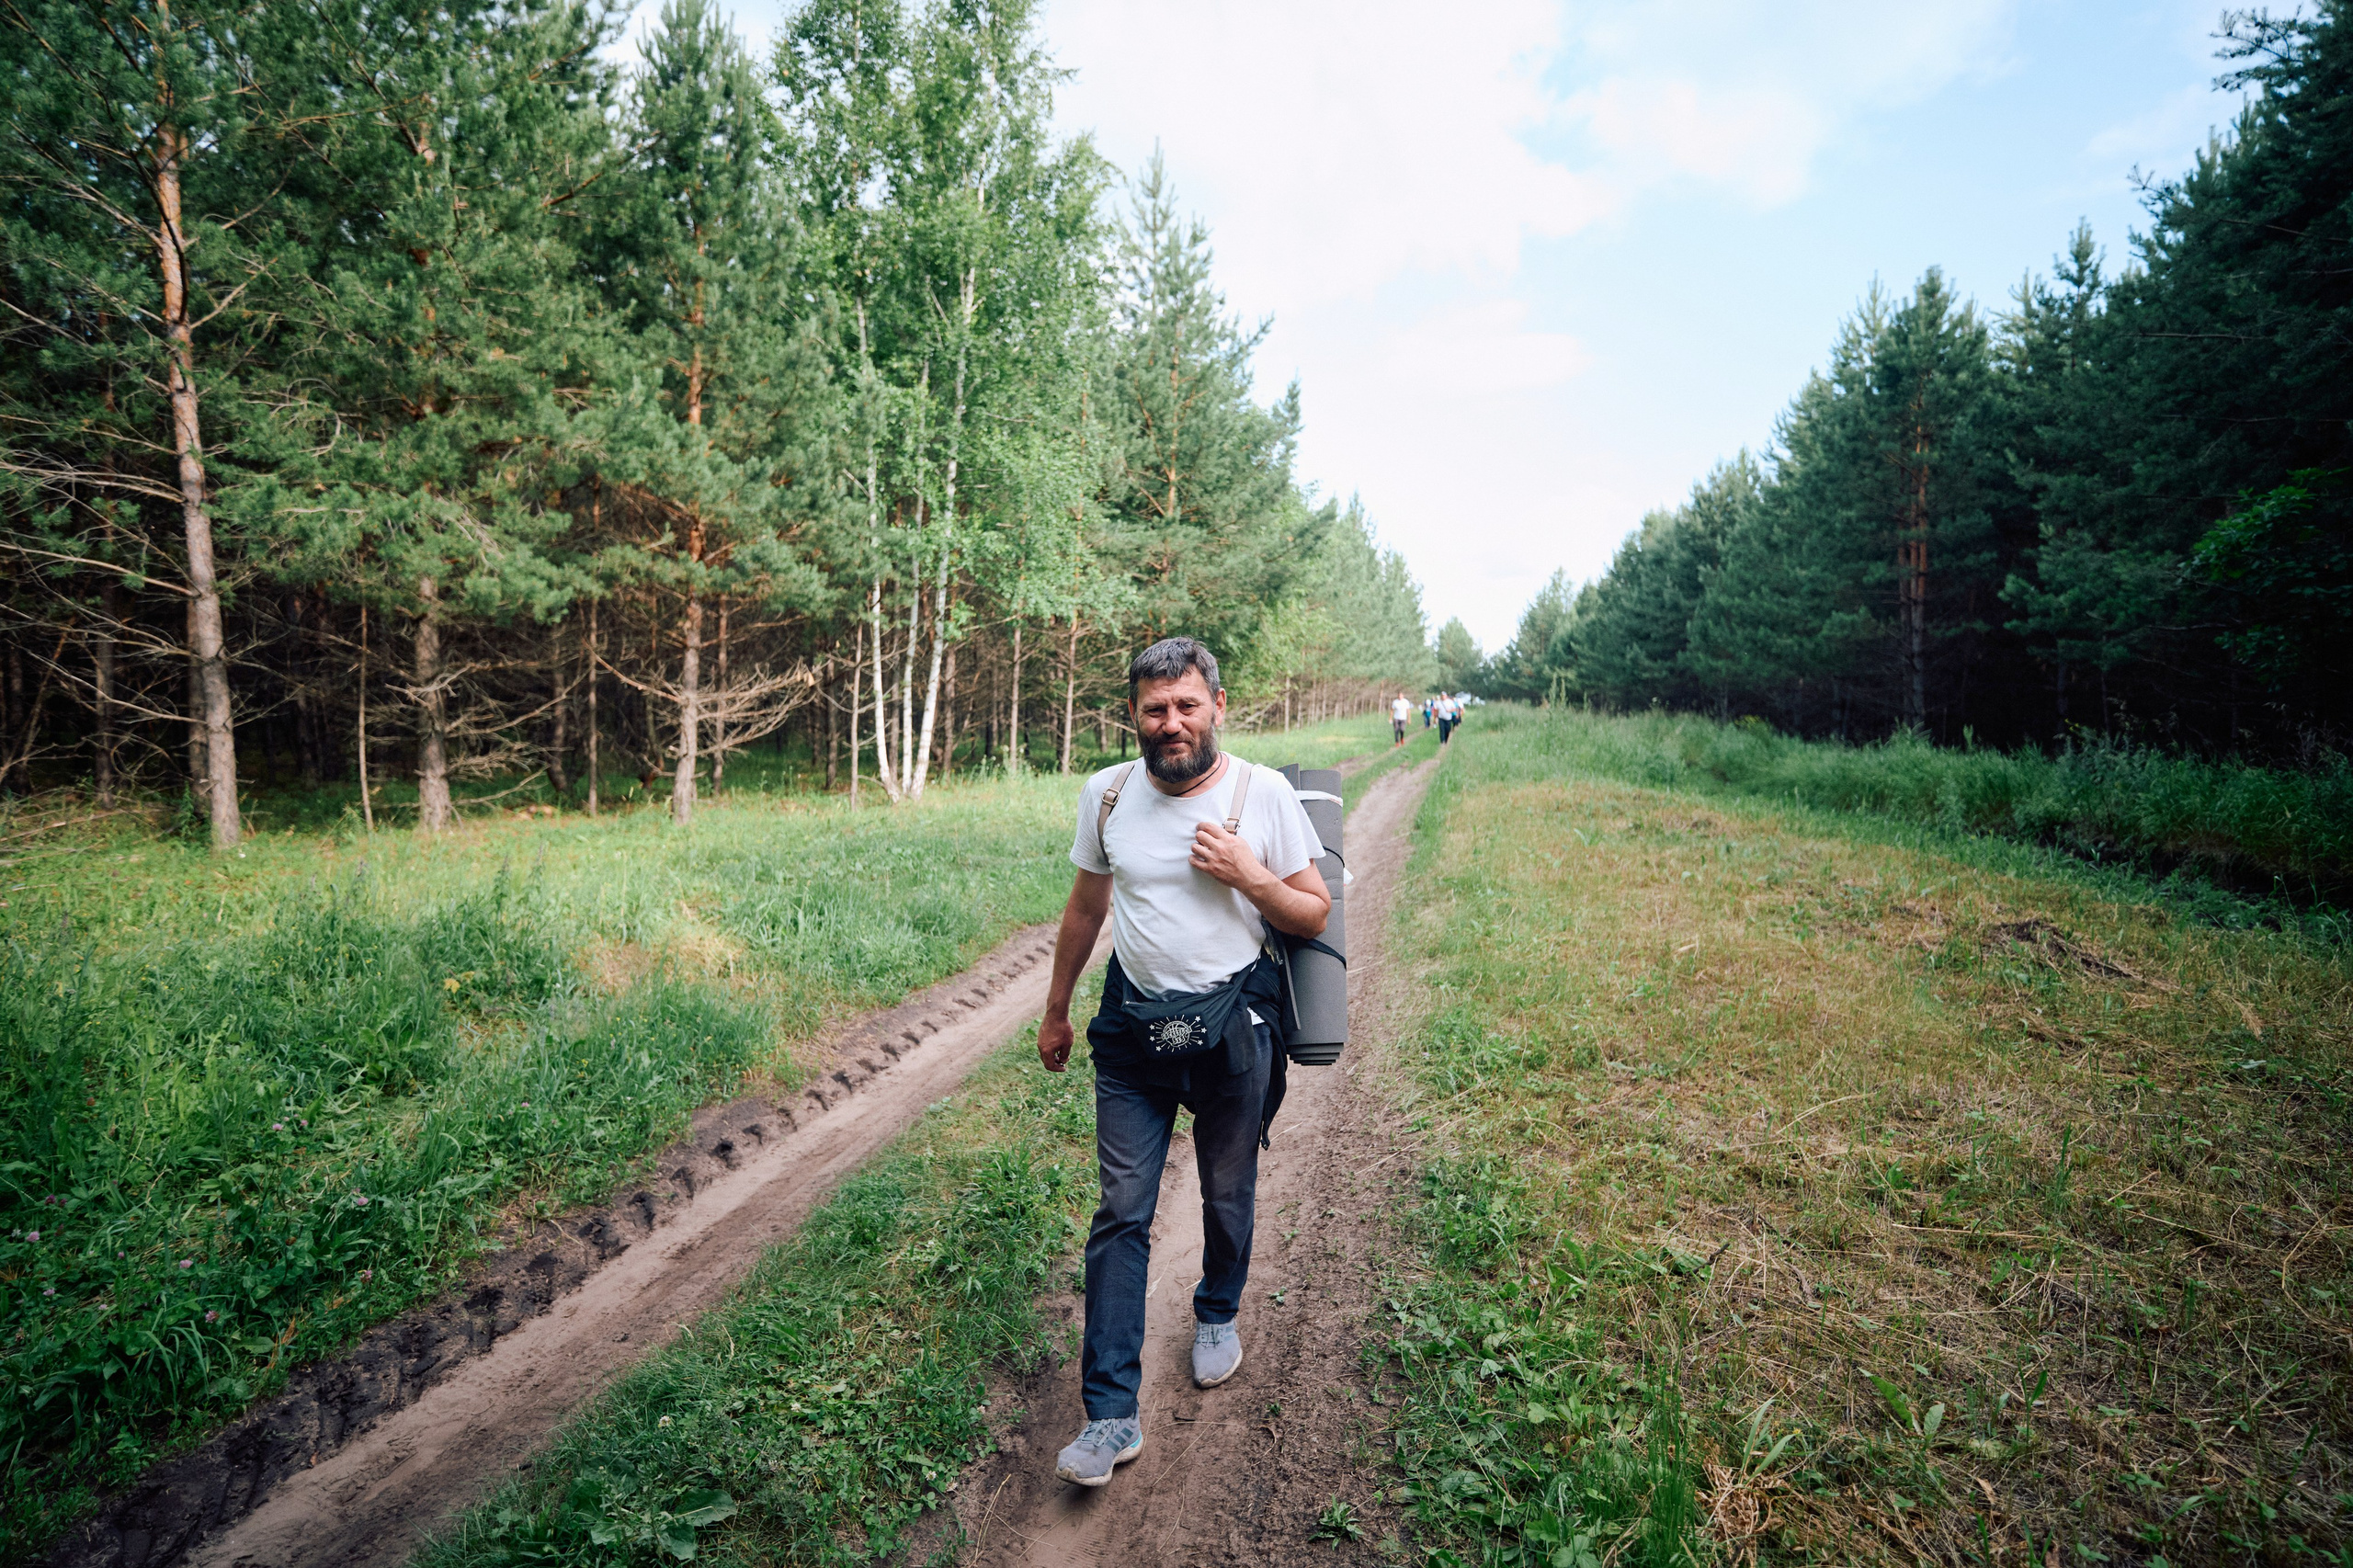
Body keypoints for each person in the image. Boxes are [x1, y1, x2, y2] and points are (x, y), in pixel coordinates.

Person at [1037, 637, 1332, 1489]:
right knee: (1122, 1212)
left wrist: (1250, 874)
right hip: (1132, 1035)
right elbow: (1087, 907)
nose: (1171, 723)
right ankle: (1109, 1417)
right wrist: (1057, 1009)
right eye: (1154, 708)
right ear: (1132, 713)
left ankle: (1215, 1312)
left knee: (1225, 1191)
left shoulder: (1261, 793)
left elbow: (1311, 914)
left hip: (1233, 1028)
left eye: (1187, 706)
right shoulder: (1109, 794)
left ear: (1217, 705)